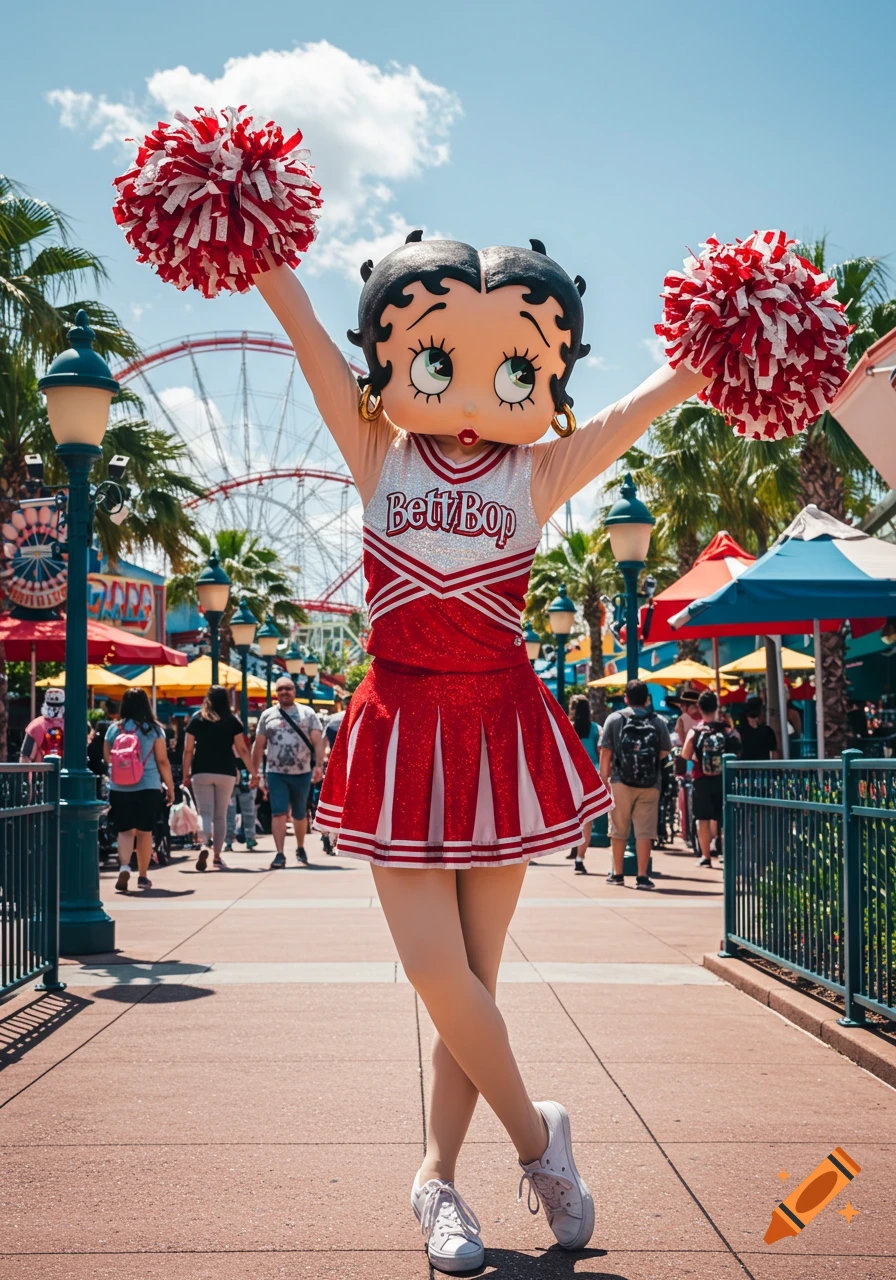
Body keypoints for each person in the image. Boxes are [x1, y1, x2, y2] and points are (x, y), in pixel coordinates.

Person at [122, 160, 838, 1262]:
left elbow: (643, 404)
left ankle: (434, 1184)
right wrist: (247, 229)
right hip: (402, 724)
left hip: (497, 728)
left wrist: (725, 340)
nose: (473, 384)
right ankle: (537, 1137)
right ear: (391, 358)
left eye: (517, 363)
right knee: (432, 971)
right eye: (432, 354)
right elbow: (305, 326)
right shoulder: (375, 450)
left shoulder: (538, 471)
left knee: (474, 985)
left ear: (545, 371)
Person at [598, 680, 672, 890]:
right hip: (650, 783)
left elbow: (606, 751)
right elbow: (665, 751)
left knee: (618, 828)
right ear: (647, 699)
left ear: (626, 698)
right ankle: (642, 876)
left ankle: (618, 874)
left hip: (620, 781)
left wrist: (604, 779)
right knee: (645, 831)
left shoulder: (614, 719)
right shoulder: (657, 721)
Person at [104, 688, 174, 891]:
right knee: (145, 832)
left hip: (119, 787)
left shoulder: (114, 729)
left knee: (125, 831)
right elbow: (162, 760)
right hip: (148, 786)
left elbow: (108, 758)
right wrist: (170, 787)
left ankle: (125, 866)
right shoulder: (154, 729)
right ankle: (143, 876)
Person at [252, 676, 324, 868]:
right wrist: (255, 772)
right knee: (278, 812)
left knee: (300, 813)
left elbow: (317, 742)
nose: (284, 692)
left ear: (294, 691)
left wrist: (318, 766)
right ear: (276, 692)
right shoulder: (267, 715)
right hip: (276, 772)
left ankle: (300, 847)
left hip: (302, 772)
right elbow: (258, 746)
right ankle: (280, 853)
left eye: (288, 689)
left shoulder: (307, 713)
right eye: (280, 689)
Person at [183, 685, 257, 871]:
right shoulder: (232, 721)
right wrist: (253, 772)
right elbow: (242, 750)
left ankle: (204, 844)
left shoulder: (197, 719)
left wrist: (185, 773)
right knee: (220, 815)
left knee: (205, 812)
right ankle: (216, 856)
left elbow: (188, 750)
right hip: (226, 771)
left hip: (201, 770)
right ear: (227, 700)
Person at [681, 690, 740, 868]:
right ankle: (723, 853)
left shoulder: (696, 731)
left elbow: (685, 754)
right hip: (723, 779)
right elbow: (738, 750)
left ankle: (706, 857)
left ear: (699, 707)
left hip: (701, 779)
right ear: (717, 707)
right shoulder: (727, 730)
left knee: (703, 819)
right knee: (723, 817)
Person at [567, 696, 600, 874]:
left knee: (574, 818)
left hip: (571, 776)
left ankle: (573, 843)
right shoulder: (595, 729)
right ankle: (580, 858)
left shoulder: (567, 728)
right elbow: (600, 752)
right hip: (590, 776)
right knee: (587, 821)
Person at [20, 687, 66, 762]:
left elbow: (25, 758)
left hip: (41, 771)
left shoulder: (36, 725)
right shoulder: (70, 726)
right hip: (62, 772)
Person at [738, 696, 778, 761]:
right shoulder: (767, 731)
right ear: (760, 711)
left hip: (745, 769)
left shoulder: (739, 732)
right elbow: (774, 755)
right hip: (764, 769)